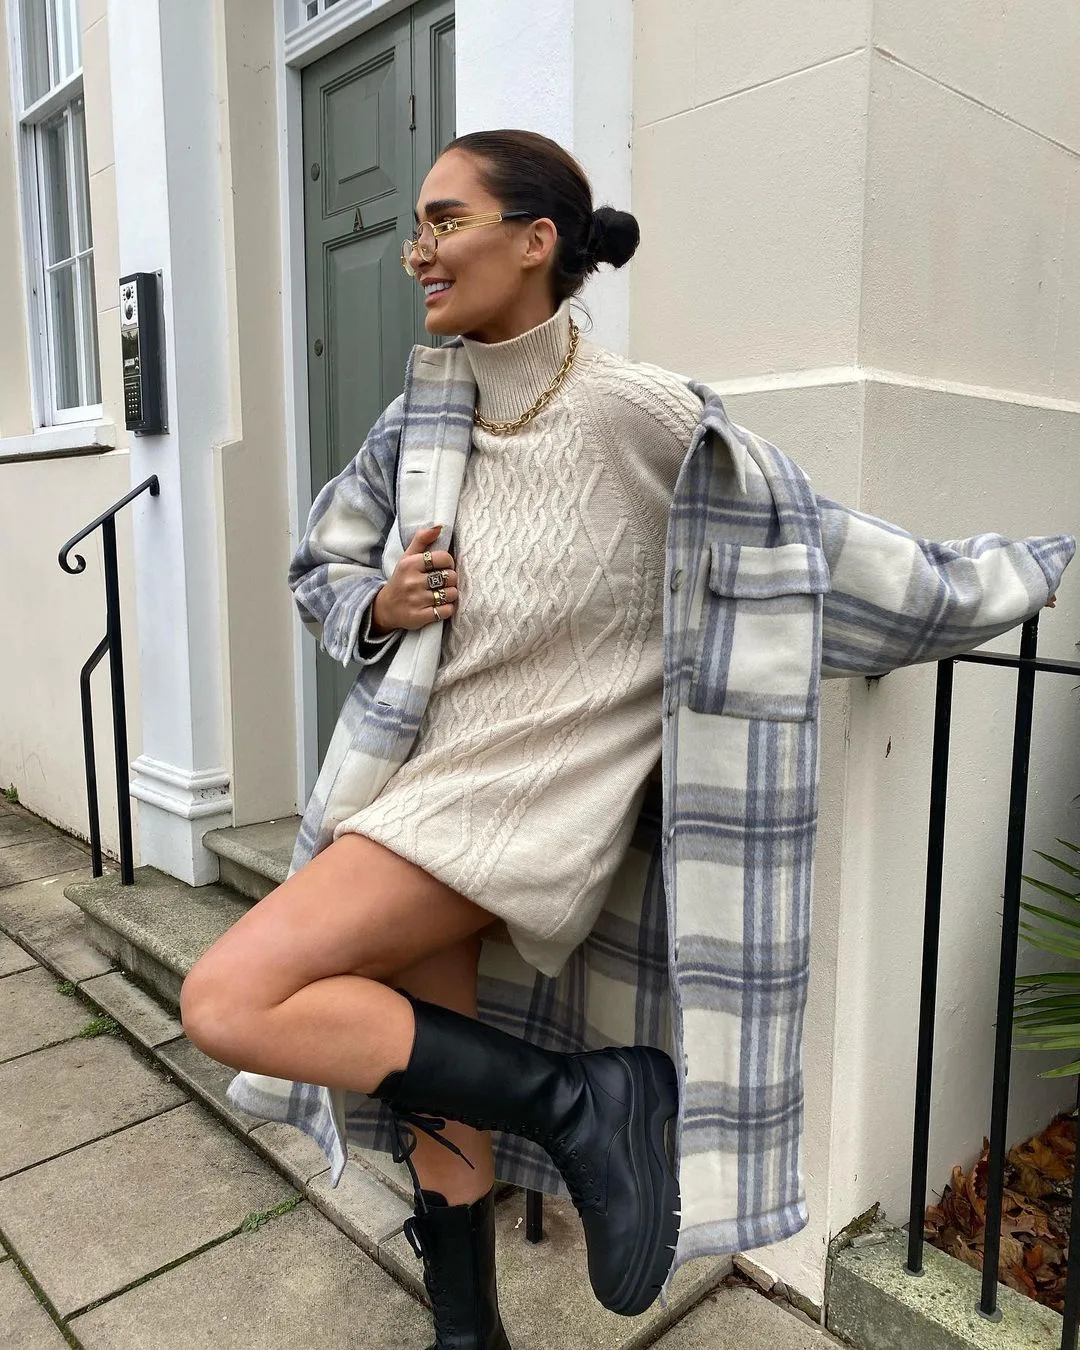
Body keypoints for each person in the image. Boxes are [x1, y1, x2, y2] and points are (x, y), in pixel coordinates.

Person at [180, 129, 1072, 1350]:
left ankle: (584, 1101)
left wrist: (1013, 573)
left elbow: (811, 548)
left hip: (521, 811)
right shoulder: (422, 421)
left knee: (228, 994)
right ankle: (471, 1331)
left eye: (446, 221)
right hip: (423, 785)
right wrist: (378, 604)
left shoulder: (638, 412)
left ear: (535, 240)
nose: (417, 251)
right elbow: (319, 560)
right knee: (440, 1099)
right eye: (416, 228)